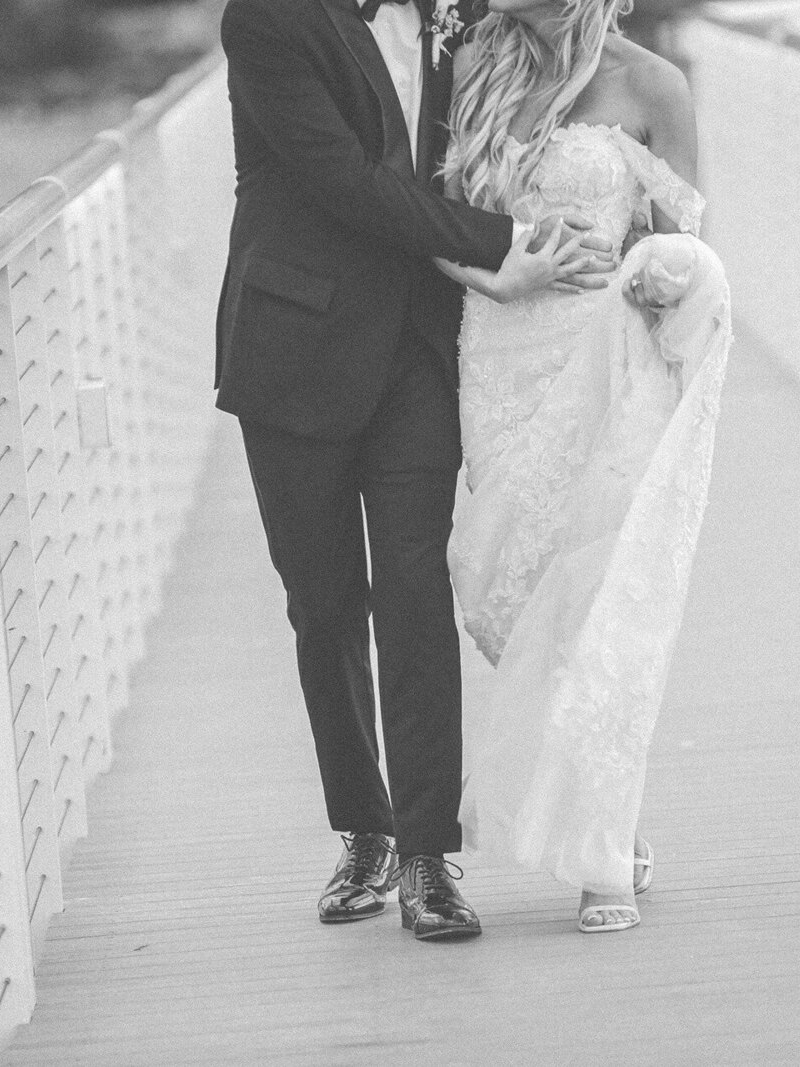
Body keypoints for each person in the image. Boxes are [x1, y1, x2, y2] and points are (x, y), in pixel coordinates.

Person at [217, 0, 624, 941]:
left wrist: (622, 59)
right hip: (294, 344)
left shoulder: (463, 18)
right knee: (324, 604)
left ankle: (427, 856)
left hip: (414, 351)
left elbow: (554, 55)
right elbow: (347, 183)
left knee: (412, 584)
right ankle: (364, 826)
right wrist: (499, 251)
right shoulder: (266, 21)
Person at [436, 0, 732, 931]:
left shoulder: (654, 86)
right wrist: (493, 275)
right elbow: (428, 219)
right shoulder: (473, 66)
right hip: (498, 361)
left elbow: (689, 247)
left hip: (604, 357)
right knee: (499, 592)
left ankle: (604, 848)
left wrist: (648, 263)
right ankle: (613, 821)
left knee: (594, 596)